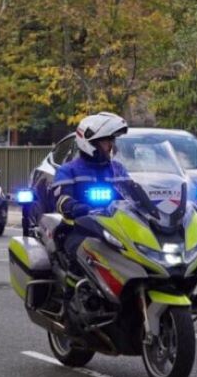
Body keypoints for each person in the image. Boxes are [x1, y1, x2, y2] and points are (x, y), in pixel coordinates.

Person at [50, 112, 134, 269]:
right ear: (90, 142)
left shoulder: (117, 169)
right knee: (81, 259)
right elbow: (61, 201)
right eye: (106, 140)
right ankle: (79, 291)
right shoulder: (69, 170)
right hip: (79, 229)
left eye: (112, 140)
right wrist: (79, 208)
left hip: (116, 230)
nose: (111, 145)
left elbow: (133, 195)